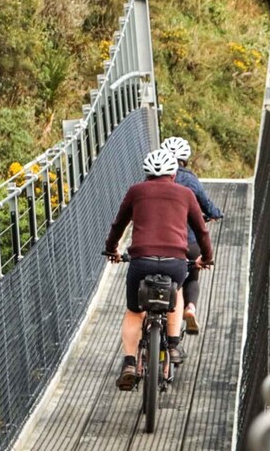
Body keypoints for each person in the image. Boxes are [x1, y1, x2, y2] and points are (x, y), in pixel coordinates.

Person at [104, 149, 214, 391]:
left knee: (134, 311)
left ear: (146, 175)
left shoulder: (136, 192)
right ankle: (173, 344)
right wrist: (206, 258)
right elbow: (202, 230)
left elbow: (118, 224)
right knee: (177, 293)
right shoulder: (186, 194)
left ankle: (130, 364)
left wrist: (112, 249)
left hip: (140, 260)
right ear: (174, 173)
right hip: (175, 261)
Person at [159, 136, 224, 335]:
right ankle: (190, 308)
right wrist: (215, 214)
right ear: (184, 159)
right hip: (188, 242)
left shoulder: (152, 179)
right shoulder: (190, 180)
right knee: (191, 277)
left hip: (157, 242)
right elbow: (208, 205)